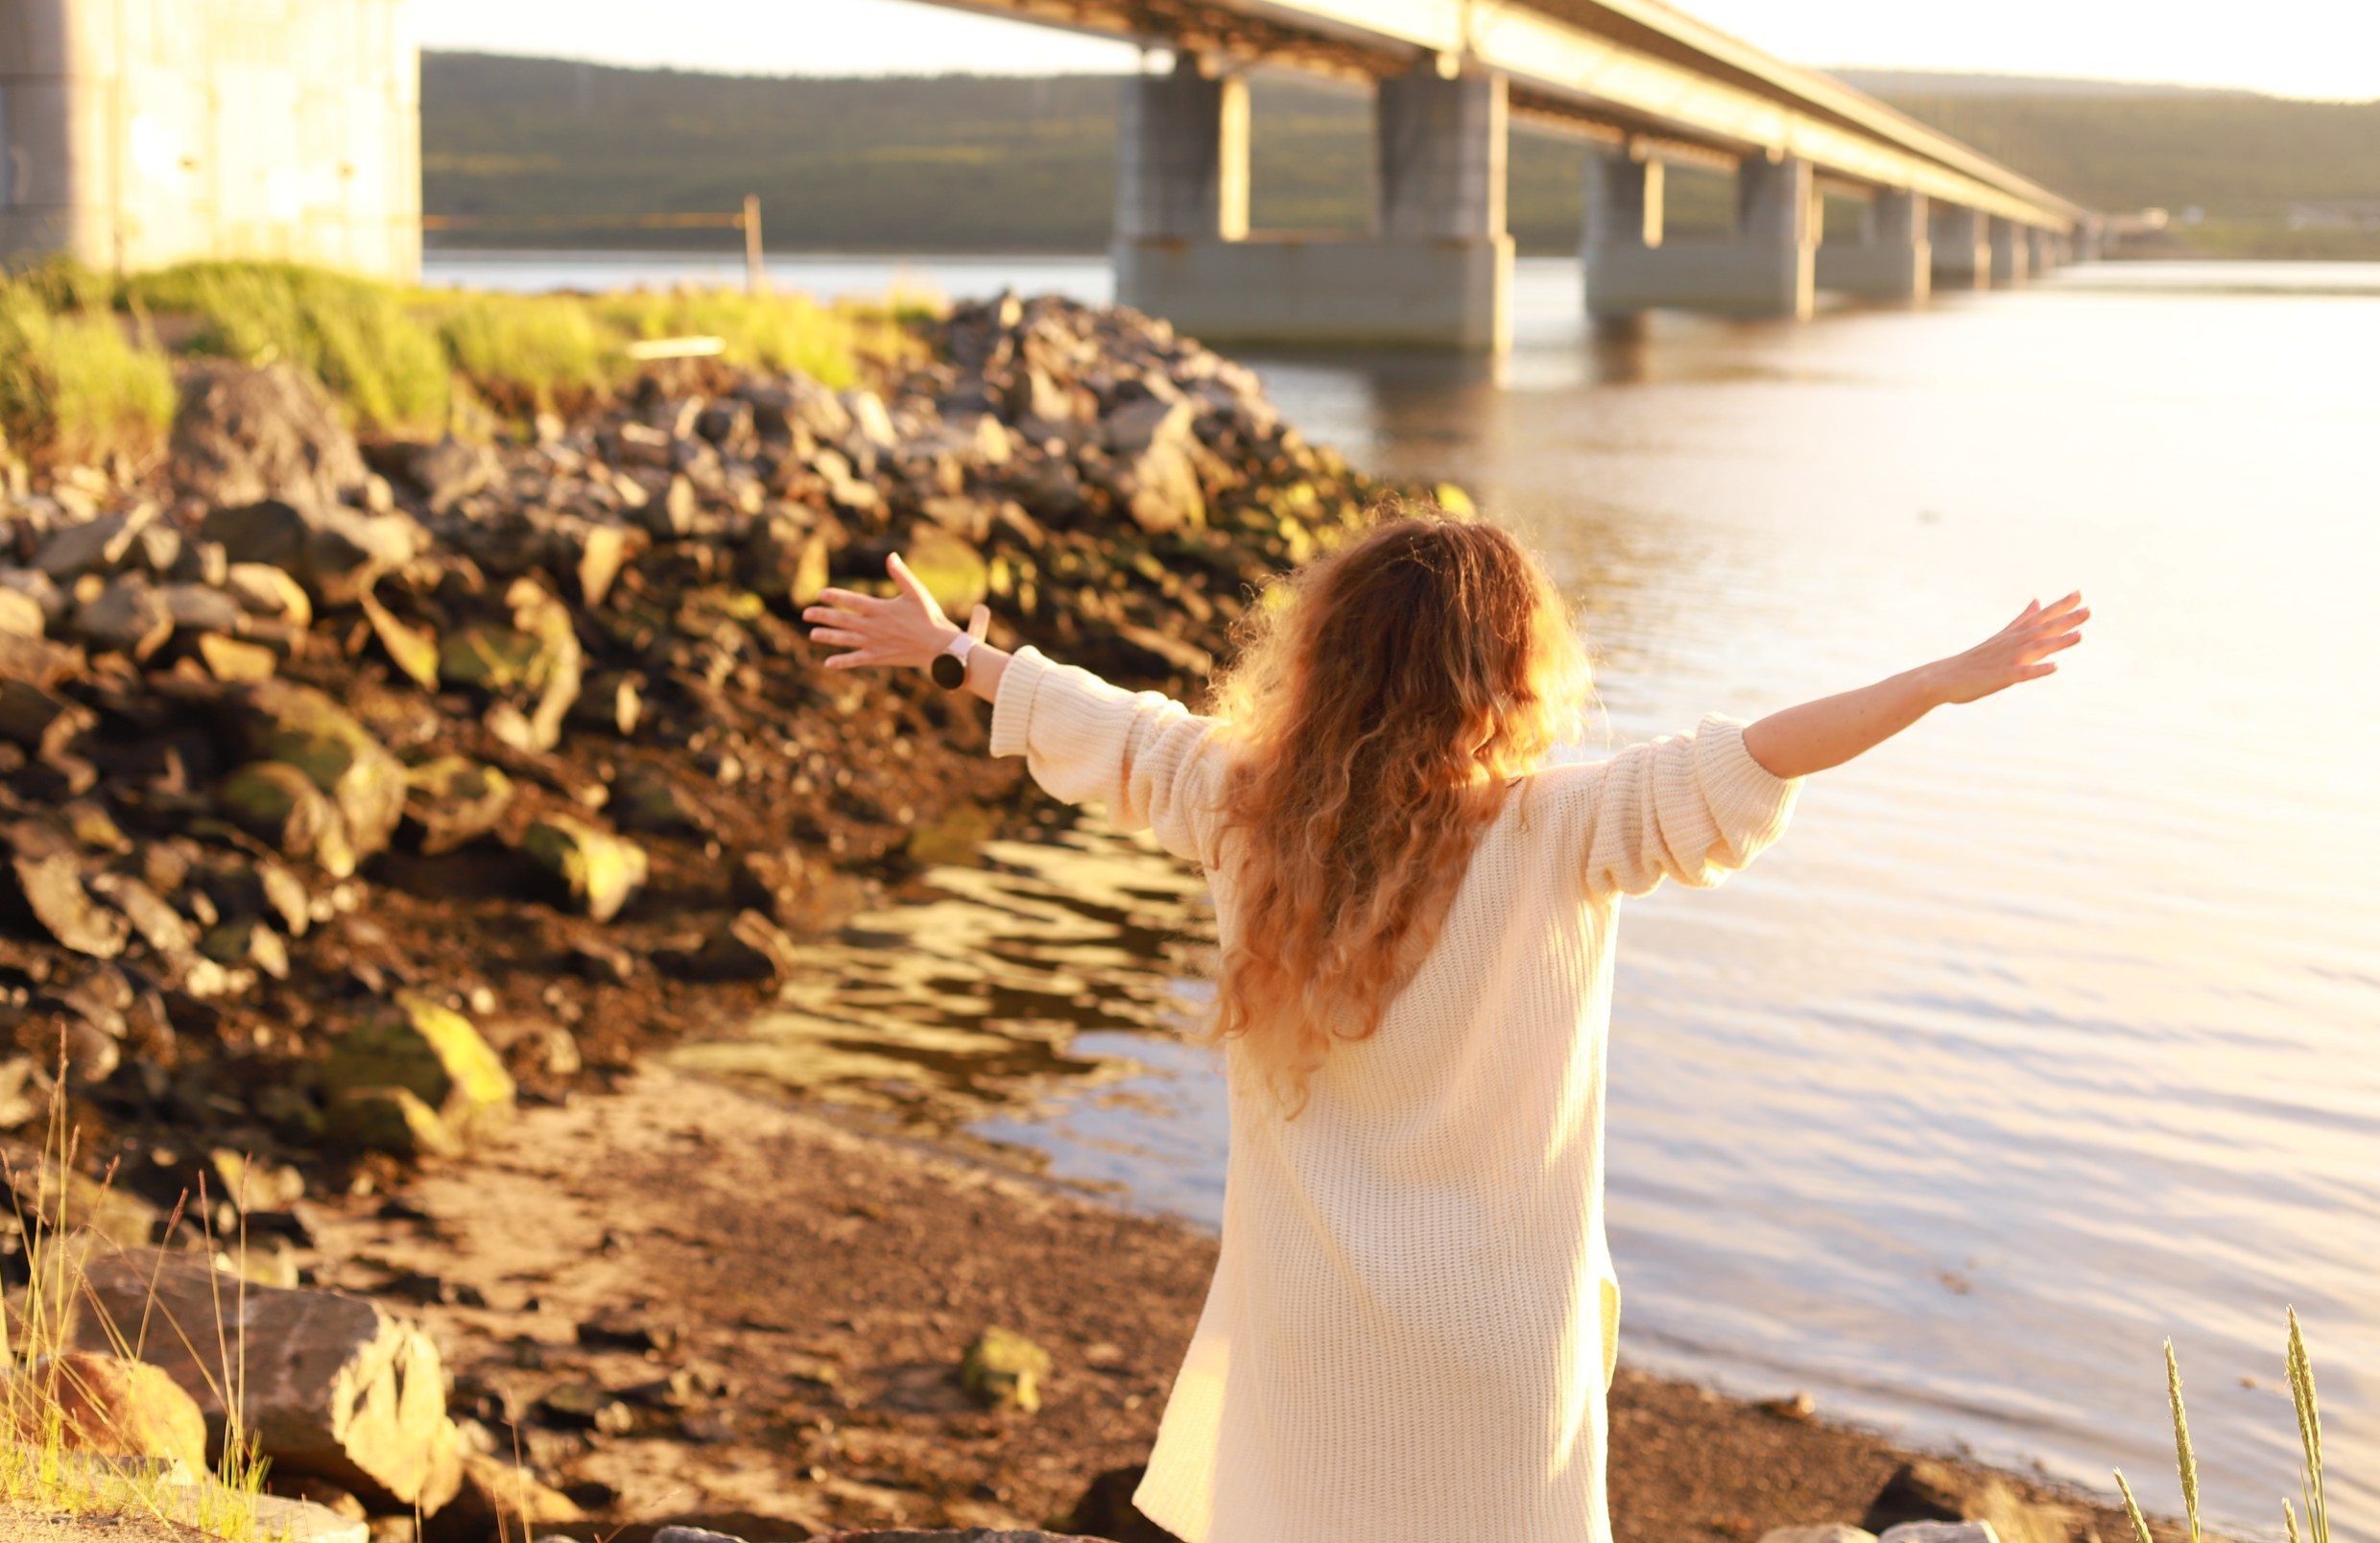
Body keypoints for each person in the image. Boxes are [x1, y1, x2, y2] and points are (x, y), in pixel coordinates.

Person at [803, 510, 2086, 1543]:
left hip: (1312, 1324)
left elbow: (1116, 730)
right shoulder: (1566, 827)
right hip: (1500, 1343)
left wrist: (954, 658)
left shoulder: (1247, 809)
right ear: (1512, 671)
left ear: (1327, 656)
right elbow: (1758, 753)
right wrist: (1939, 679)